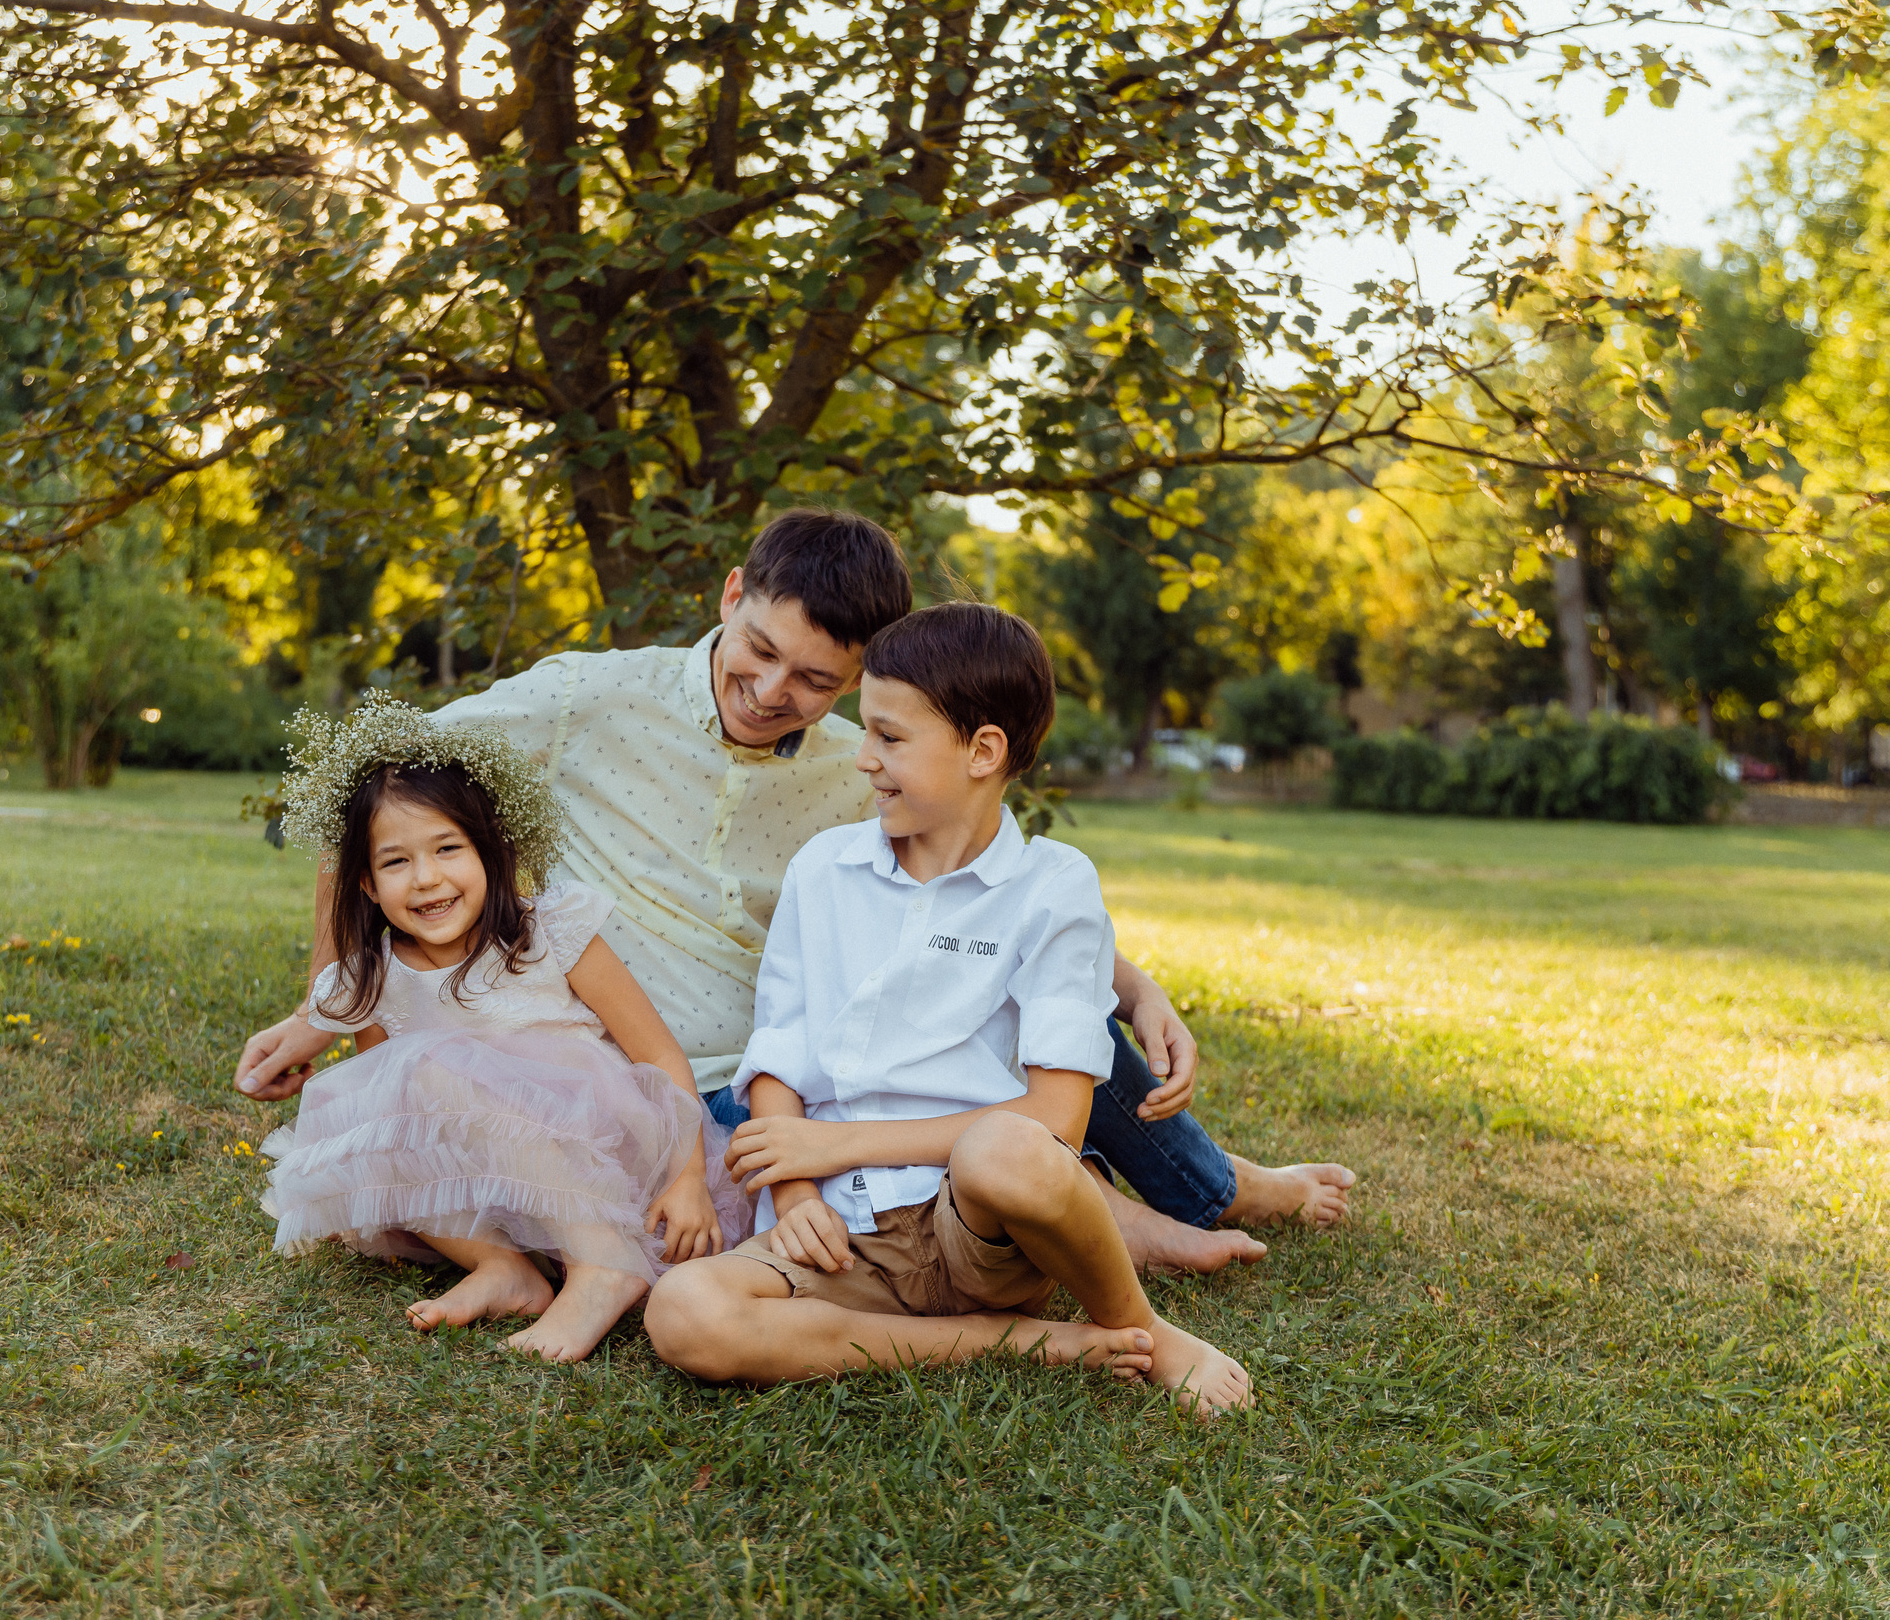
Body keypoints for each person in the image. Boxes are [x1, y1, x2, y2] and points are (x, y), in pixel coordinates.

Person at [238, 508, 1351, 1271]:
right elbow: (366, 795)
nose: (772, 692)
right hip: (682, 1086)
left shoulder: (856, 761)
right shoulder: (585, 698)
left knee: (1048, 1015)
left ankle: (1221, 1185)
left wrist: (1135, 983)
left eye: (817, 680)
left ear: (862, 675)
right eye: (757, 650)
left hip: (832, 1047)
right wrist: (339, 1005)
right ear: (731, 591)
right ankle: (1117, 1221)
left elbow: (990, 887)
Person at [645, 603, 1249, 1416]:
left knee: (1010, 1148)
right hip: (842, 1232)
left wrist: (833, 1140)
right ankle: (1032, 1342)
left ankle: (1141, 1328)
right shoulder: (823, 869)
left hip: (977, 1223)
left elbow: (1060, 1122)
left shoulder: (1053, 887)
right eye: (866, 732)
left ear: (983, 750)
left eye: (889, 738)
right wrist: (794, 1200)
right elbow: (779, 1050)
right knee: (684, 1313)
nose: (863, 759)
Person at [252, 695, 749, 1363]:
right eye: (396, 862)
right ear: (366, 883)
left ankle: (602, 1261)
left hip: (599, 1155)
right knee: (372, 1121)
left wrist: (687, 1176)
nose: (427, 878)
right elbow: (391, 1113)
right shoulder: (370, 977)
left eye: (448, 848)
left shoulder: (549, 931)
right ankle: (506, 1268)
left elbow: (656, 1050)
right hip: (504, 1189)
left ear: (491, 851)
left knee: (427, 1068)